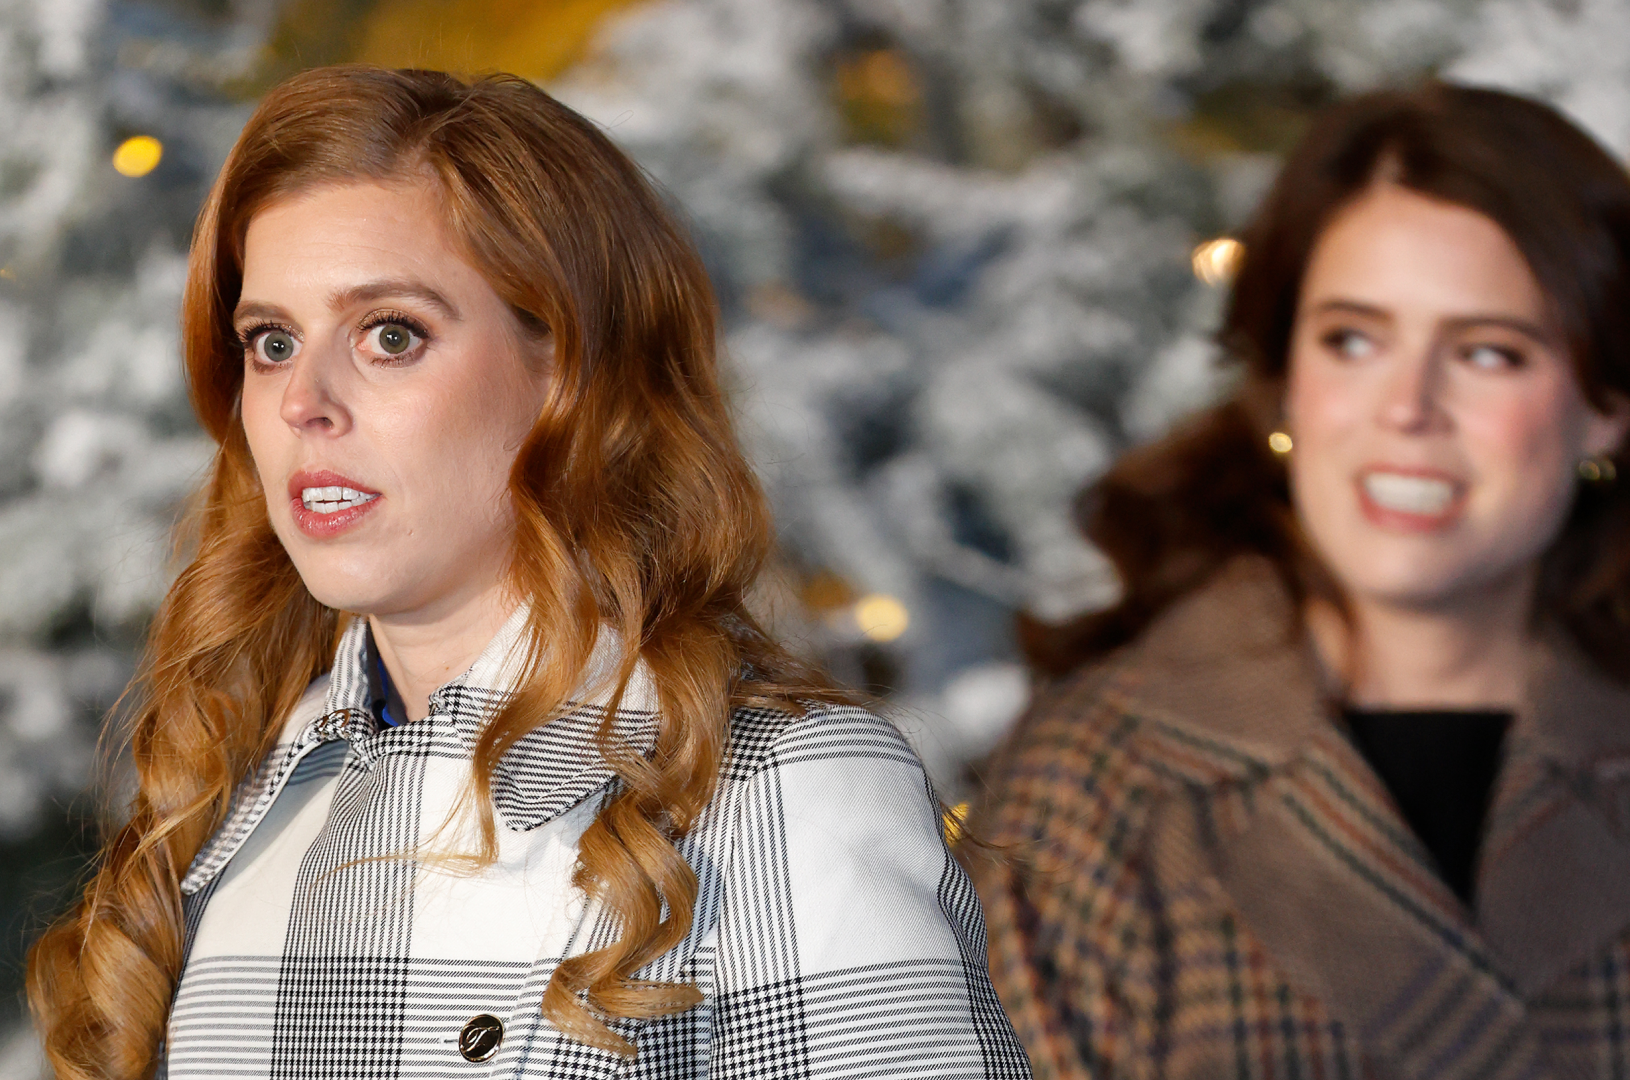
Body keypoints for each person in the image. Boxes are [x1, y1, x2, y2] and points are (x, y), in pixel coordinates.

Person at [27, 66, 1030, 1080]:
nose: (302, 405)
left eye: (390, 334)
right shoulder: (233, 808)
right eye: (271, 341)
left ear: (572, 374)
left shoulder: (778, 793)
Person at [966, 84, 1630, 1080]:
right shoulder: (1088, 794)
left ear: (1605, 409)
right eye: (1354, 340)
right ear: (1285, 380)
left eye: (1487, 352)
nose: (1408, 409)